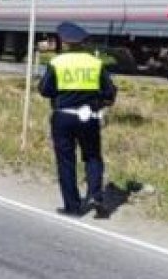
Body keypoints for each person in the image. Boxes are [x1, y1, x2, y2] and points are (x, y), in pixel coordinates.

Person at [39, 22, 117, 218]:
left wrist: (61, 93)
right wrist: (100, 102)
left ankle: (72, 207)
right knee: (92, 156)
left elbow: (44, 90)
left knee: (66, 161)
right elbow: (109, 91)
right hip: (88, 116)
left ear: (64, 41)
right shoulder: (95, 63)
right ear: (83, 42)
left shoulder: (57, 63)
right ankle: (96, 195)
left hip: (63, 117)